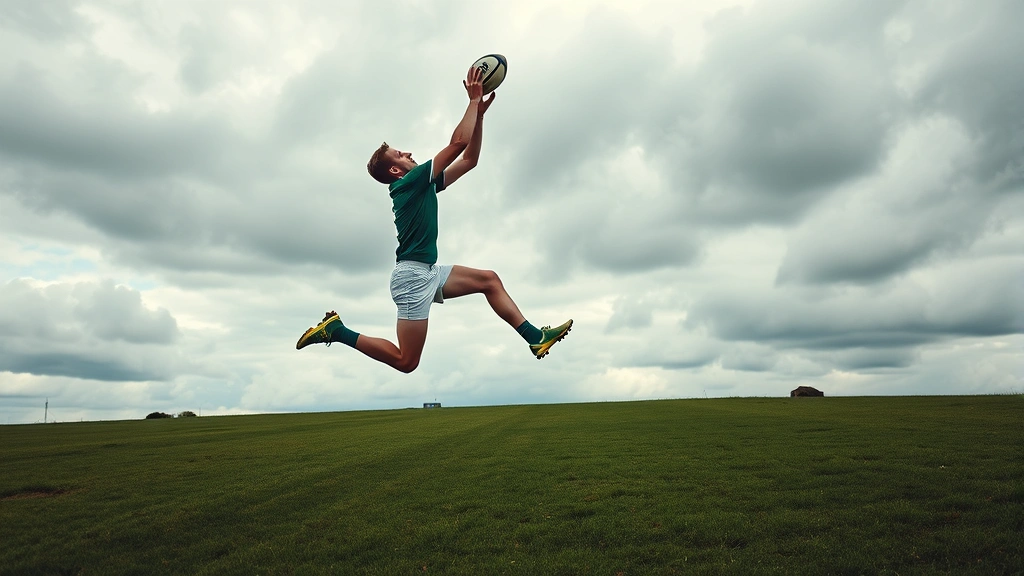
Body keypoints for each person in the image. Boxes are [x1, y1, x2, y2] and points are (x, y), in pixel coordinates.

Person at [296, 66, 572, 372]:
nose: (409, 153)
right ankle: (337, 331)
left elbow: (469, 160)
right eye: (401, 154)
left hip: (427, 271)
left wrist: (478, 116)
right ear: (395, 171)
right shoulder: (411, 181)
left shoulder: (419, 185)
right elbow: (458, 144)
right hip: (412, 279)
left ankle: (535, 337)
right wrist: (472, 101)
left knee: (489, 280)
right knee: (406, 361)